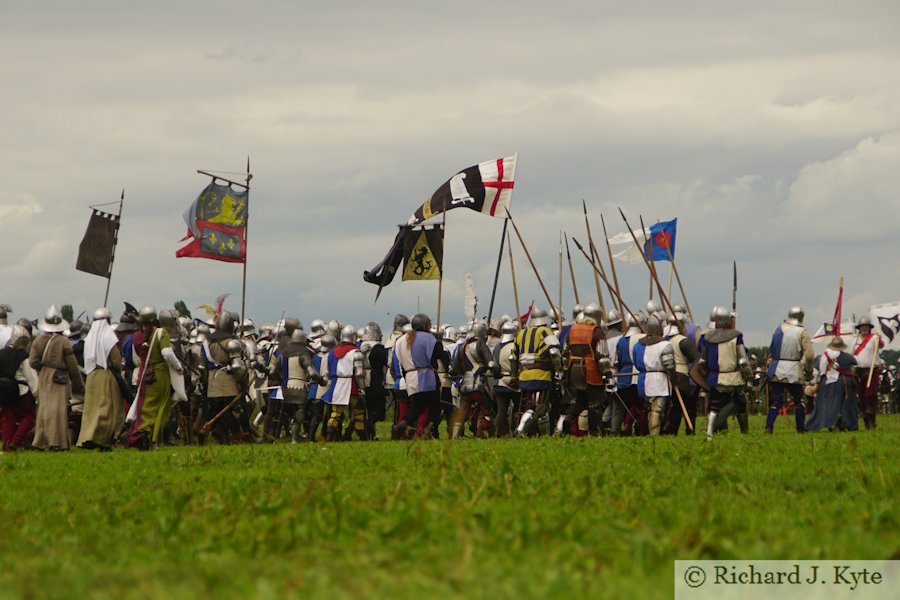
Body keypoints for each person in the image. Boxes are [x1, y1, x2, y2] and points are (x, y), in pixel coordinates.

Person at [127, 306, 183, 450]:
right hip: (160, 374)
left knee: (147, 407)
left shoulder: (139, 336)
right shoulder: (161, 332)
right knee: (161, 407)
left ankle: (145, 432)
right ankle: (153, 439)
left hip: (145, 374)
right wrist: (178, 367)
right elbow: (167, 353)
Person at [29, 305, 85, 450]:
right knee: (58, 410)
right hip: (60, 377)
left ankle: (41, 441)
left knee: (43, 409)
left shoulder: (38, 341)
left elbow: (32, 362)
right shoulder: (64, 341)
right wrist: (79, 382)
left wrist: (44, 368)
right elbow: (72, 365)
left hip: (44, 376)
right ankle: (56, 442)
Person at [696, 306, 752, 439]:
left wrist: (707, 377)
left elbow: (702, 363)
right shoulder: (736, 336)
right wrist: (749, 377)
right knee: (741, 405)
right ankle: (745, 433)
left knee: (714, 407)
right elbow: (743, 361)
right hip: (734, 378)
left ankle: (709, 435)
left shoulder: (707, 337)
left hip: (716, 379)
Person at [76, 308, 125, 450]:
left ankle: (88, 436)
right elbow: (116, 360)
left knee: (91, 409)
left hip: (91, 376)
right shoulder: (108, 337)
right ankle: (101, 439)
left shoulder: (89, 338)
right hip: (105, 375)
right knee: (107, 409)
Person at [392, 314, 445, 440]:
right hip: (427, 377)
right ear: (425, 325)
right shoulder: (429, 338)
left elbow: (399, 363)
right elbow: (438, 357)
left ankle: (403, 424)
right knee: (434, 408)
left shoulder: (400, 340)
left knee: (417, 407)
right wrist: (438, 344)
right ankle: (428, 432)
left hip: (410, 377)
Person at [511, 307, 561, 437]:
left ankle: (544, 435)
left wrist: (513, 376)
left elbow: (513, 358)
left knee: (542, 407)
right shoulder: (545, 331)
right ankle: (521, 430)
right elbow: (554, 352)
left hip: (524, 375)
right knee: (540, 407)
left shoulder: (521, 333)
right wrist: (559, 370)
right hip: (541, 375)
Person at [764, 306, 813, 434]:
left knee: (776, 401)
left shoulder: (777, 329)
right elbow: (809, 355)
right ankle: (800, 429)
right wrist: (808, 371)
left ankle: (769, 427)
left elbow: (771, 348)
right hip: (794, 370)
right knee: (799, 401)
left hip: (776, 368)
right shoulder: (802, 332)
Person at [562, 303, 609, 437]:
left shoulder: (572, 330)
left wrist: (566, 372)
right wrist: (607, 373)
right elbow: (602, 356)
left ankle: (567, 420)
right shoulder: (597, 331)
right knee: (595, 403)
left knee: (580, 401)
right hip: (590, 370)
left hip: (574, 371)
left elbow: (565, 354)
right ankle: (594, 432)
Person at [451, 321, 498, 439]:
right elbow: (491, 364)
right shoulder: (481, 345)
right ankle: (483, 433)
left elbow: (454, 369)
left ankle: (456, 435)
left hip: (465, 384)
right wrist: (497, 371)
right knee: (487, 407)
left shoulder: (462, 347)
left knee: (462, 411)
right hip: (479, 384)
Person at [322, 325, 368, 441]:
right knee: (358, 412)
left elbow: (328, 372)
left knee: (336, 413)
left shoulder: (332, 353)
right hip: (350, 385)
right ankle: (362, 436)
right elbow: (359, 373)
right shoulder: (356, 353)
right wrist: (362, 388)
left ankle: (329, 435)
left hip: (337, 386)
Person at [805, 337, 858, 431]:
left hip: (828, 383)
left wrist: (814, 384)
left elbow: (817, 371)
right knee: (846, 405)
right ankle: (846, 424)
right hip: (845, 382)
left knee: (825, 404)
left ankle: (830, 423)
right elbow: (855, 366)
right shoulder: (848, 357)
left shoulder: (823, 357)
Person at [633, 315, 675, 436]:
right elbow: (669, 366)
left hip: (643, 380)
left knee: (651, 410)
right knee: (657, 411)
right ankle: (654, 435)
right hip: (659, 381)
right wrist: (674, 379)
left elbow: (636, 363)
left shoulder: (638, 345)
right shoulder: (665, 345)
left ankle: (651, 433)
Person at [662, 311, 700, 435]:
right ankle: (681, 430)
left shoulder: (666, 340)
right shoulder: (683, 341)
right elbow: (696, 359)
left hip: (669, 377)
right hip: (681, 376)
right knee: (685, 406)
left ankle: (671, 430)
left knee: (676, 406)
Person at [1, 325, 38, 450]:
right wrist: (37, 394)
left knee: (9, 418)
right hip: (20, 391)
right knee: (30, 416)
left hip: (3, 391)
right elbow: (32, 378)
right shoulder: (24, 357)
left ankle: (7, 445)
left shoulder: (1, 353)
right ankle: (15, 442)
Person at [851, 316, 884, 430]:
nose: (864, 328)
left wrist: (880, 340)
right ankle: (866, 421)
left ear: (869, 327)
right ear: (859, 328)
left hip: (872, 370)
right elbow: (851, 355)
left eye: (866, 326)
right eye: (862, 326)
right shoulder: (855, 340)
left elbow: (881, 345)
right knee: (861, 397)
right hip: (859, 371)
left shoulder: (874, 337)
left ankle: (872, 421)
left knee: (869, 395)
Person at [492, 321, 520, 437]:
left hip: (499, 381)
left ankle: (497, 433)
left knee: (501, 411)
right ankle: (514, 431)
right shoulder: (514, 346)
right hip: (513, 381)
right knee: (517, 409)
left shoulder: (497, 347)